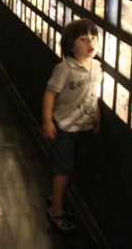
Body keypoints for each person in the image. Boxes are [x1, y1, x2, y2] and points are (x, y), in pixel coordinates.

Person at [41, 18, 102, 232]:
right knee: (63, 170)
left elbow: (94, 96)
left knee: (71, 169)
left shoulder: (96, 66)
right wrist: (48, 121)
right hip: (64, 128)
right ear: (70, 44)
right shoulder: (65, 68)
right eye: (83, 39)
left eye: (93, 38)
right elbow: (50, 94)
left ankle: (56, 199)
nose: (90, 43)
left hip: (84, 127)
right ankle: (56, 211)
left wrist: (97, 116)